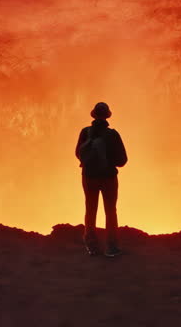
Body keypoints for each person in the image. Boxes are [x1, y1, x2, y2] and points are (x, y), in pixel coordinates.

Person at [74, 101, 128, 257]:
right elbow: (122, 160)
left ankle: (92, 246)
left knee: (90, 210)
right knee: (110, 211)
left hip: (89, 177)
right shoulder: (112, 135)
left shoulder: (85, 132)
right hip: (108, 178)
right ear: (107, 116)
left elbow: (78, 153)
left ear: (94, 115)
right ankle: (111, 247)